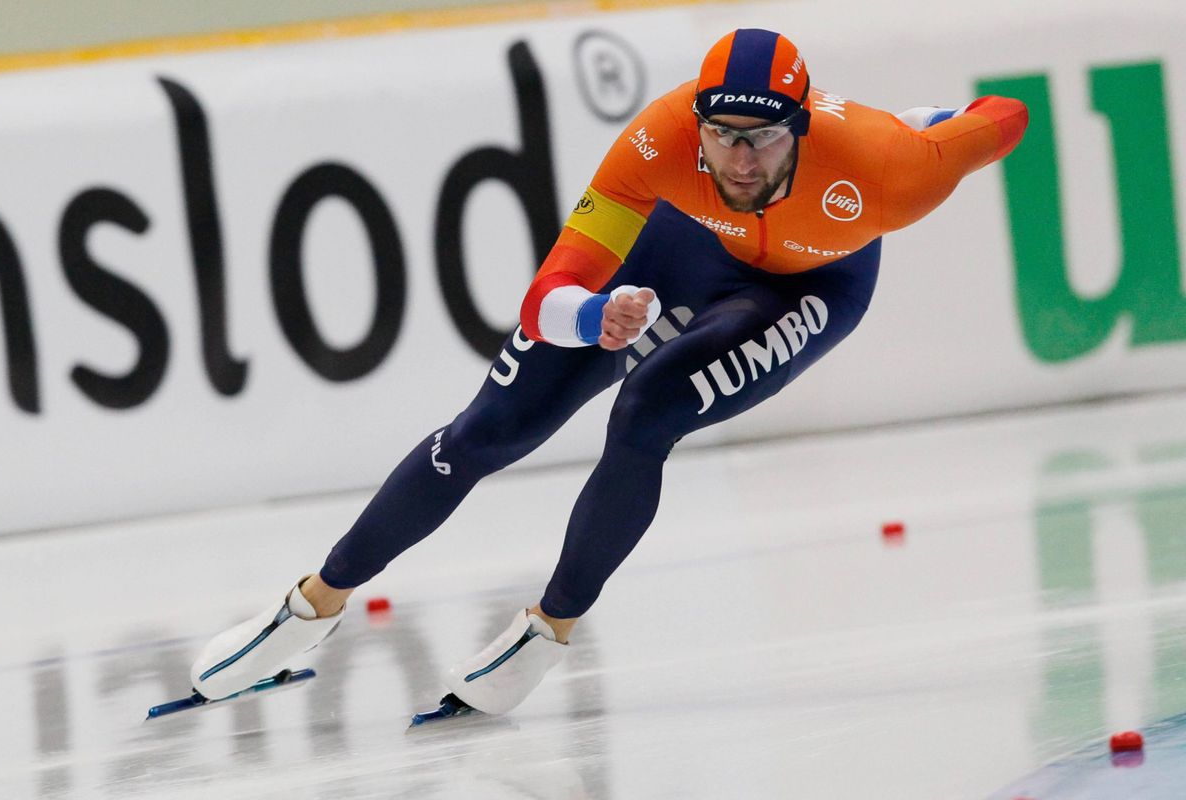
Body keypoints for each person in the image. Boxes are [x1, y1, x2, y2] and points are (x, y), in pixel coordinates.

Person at [190, 28, 1029, 714]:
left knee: (646, 412)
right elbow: (544, 297)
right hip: (690, 247)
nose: (740, 162)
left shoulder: (891, 168)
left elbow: (1008, 113)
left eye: (765, 137)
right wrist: (597, 315)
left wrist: (925, 121)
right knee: (490, 429)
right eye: (722, 137)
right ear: (695, 122)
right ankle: (312, 606)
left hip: (814, 284)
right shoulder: (658, 140)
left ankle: (549, 629)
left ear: (801, 128)